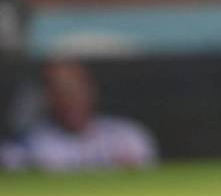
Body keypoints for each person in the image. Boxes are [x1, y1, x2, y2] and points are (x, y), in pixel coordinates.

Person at [0, 58, 157, 172]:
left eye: (75, 90)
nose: (70, 99)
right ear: (48, 98)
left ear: (90, 91)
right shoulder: (29, 144)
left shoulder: (126, 135)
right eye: (60, 92)